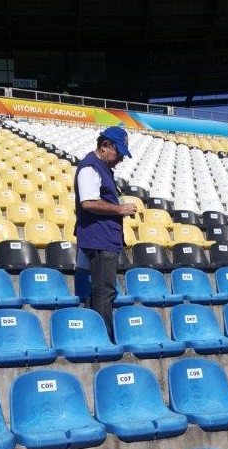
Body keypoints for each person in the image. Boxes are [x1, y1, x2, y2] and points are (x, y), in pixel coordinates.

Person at [74, 126, 137, 337]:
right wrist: (120, 209)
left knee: (103, 292)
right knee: (104, 293)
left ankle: (99, 337)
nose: (120, 158)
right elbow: (88, 202)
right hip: (99, 239)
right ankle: (104, 339)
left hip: (106, 238)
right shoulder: (90, 167)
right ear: (105, 146)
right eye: (118, 152)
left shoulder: (102, 167)